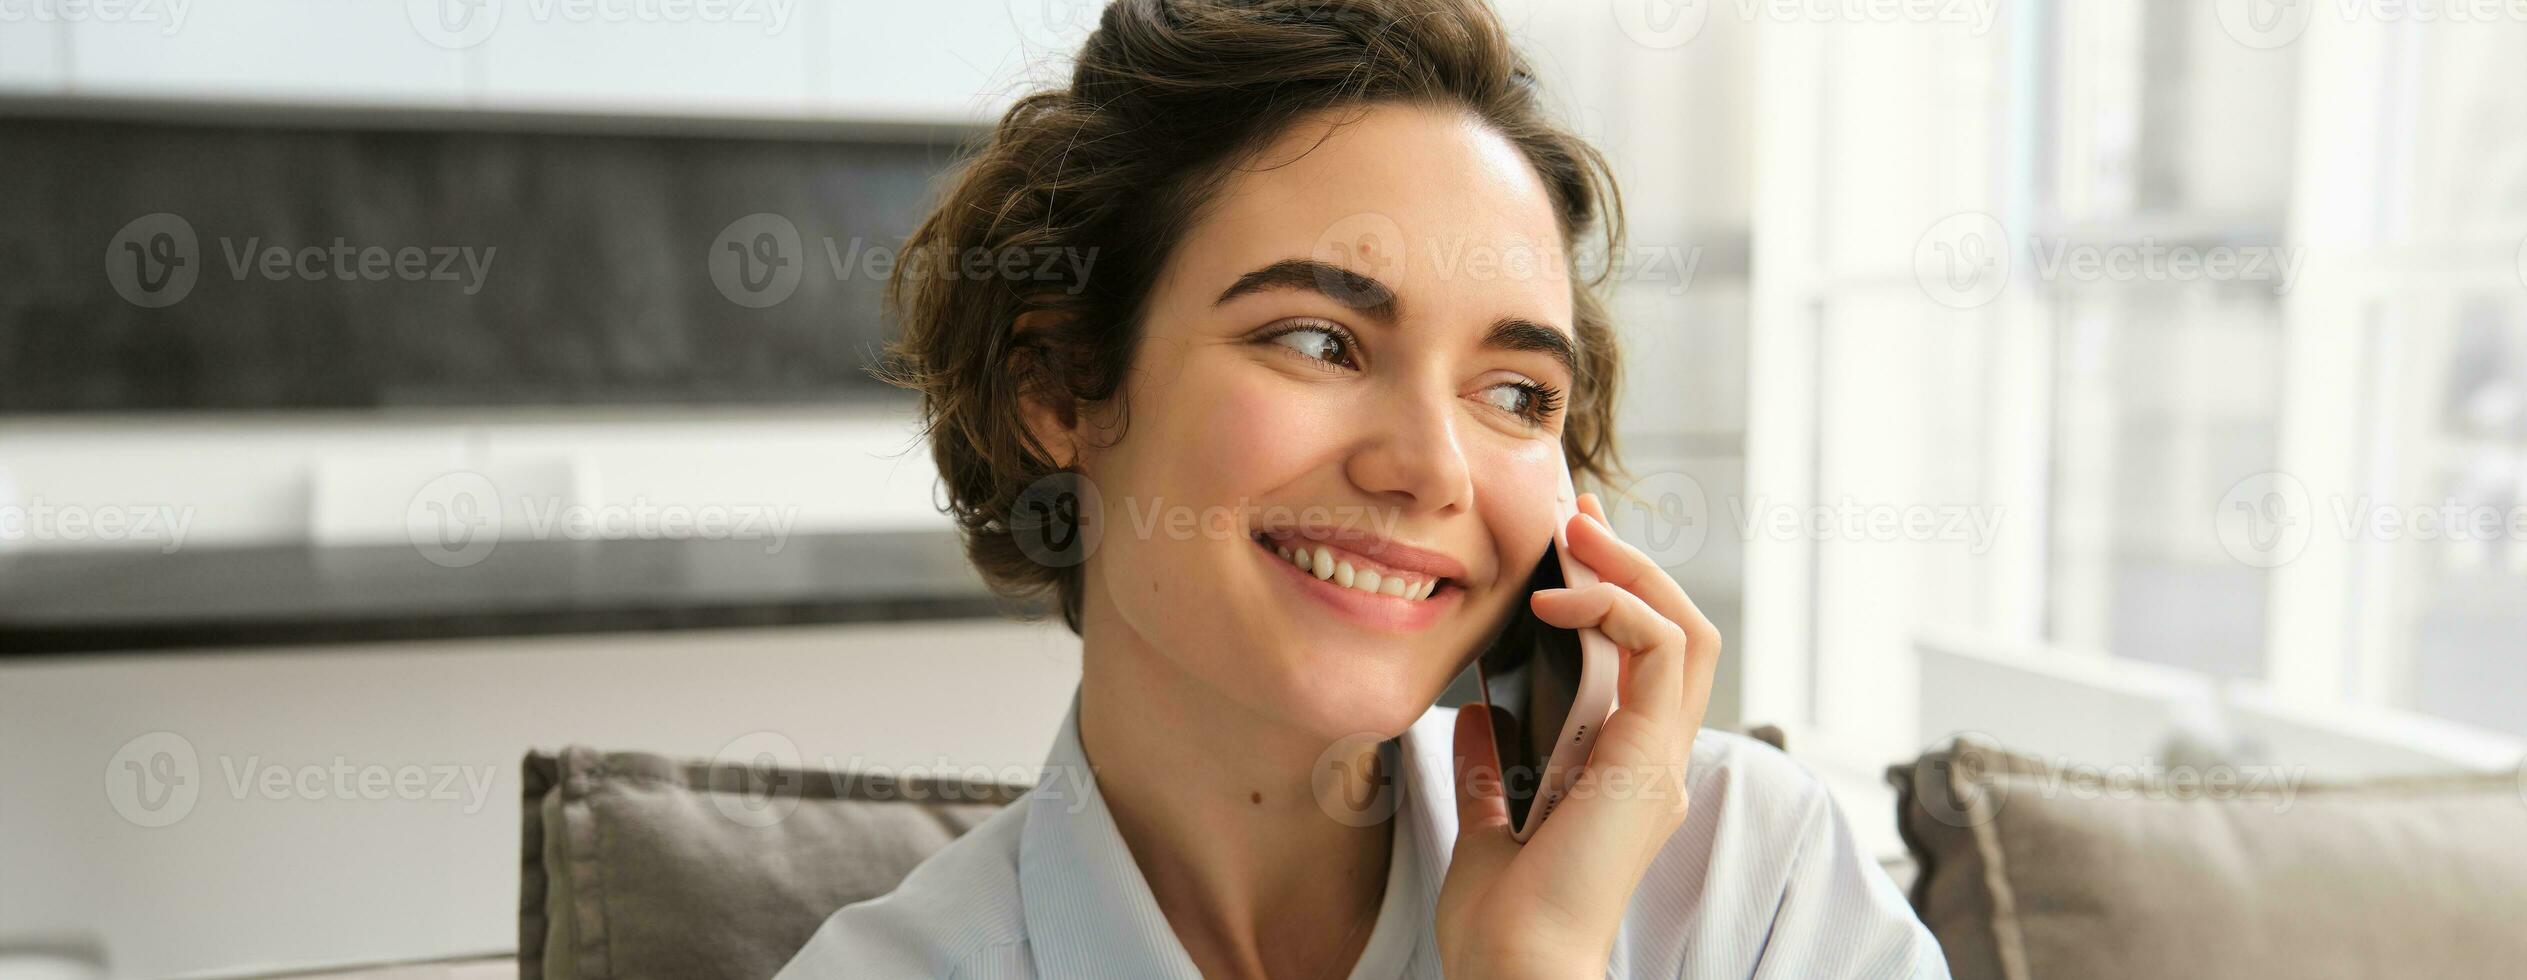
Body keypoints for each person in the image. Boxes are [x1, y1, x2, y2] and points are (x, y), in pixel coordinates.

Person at [777, 1, 1948, 977]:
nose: (1432, 466)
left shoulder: (1752, 886)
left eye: (1516, 393)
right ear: (1062, 387)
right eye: (1318, 340)